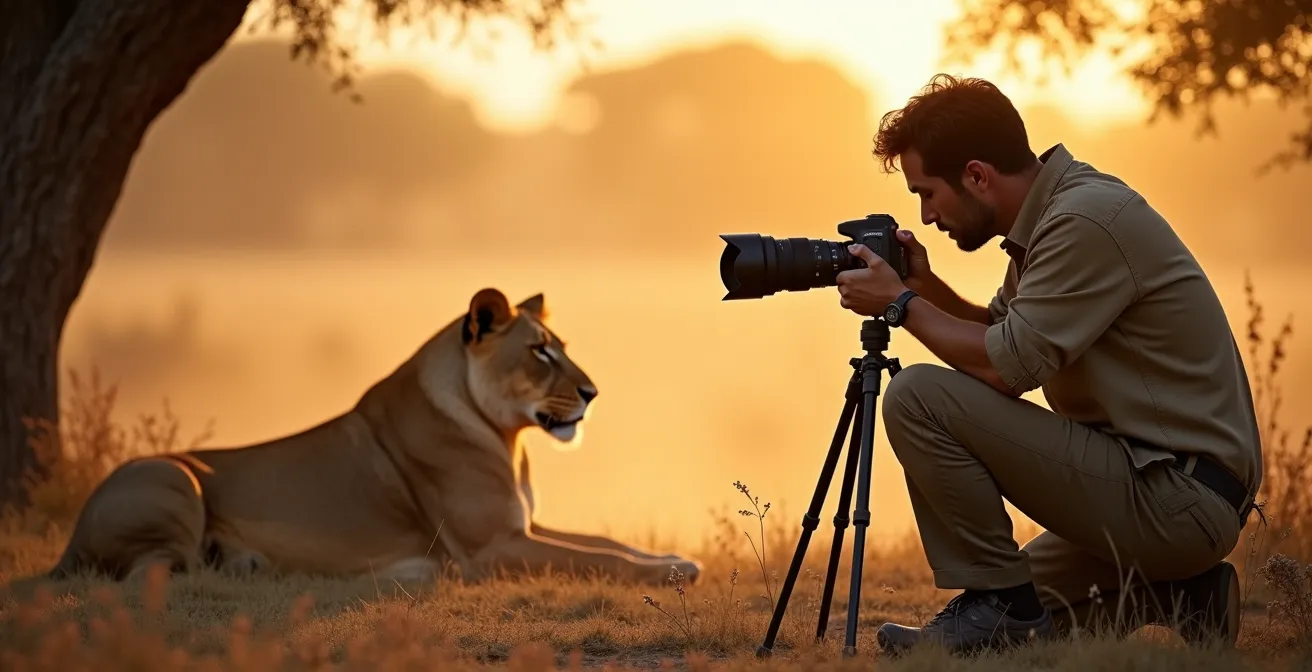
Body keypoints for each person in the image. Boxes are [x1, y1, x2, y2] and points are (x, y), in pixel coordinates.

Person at [834, 73, 1264, 655]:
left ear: (977, 176)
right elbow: (1001, 334)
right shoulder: (1050, 216)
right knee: (1007, 632)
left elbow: (1004, 369)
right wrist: (925, 286)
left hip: (1175, 496)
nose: (927, 215)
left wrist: (899, 305)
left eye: (927, 193)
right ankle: (1188, 596)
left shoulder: (1083, 221)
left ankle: (1003, 605)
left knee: (916, 396)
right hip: (1152, 483)